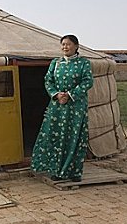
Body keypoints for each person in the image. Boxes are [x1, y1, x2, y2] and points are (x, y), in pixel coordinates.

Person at [30, 34, 94, 182]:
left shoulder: (84, 63)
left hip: (76, 107)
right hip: (57, 106)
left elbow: (87, 81)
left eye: (68, 44)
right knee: (56, 135)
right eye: (63, 44)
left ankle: (74, 172)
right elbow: (48, 80)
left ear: (76, 46)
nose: (65, 47)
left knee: (74, 137)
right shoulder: (55, 63)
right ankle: (56, 170)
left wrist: (70, 95)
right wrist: (57, 94)